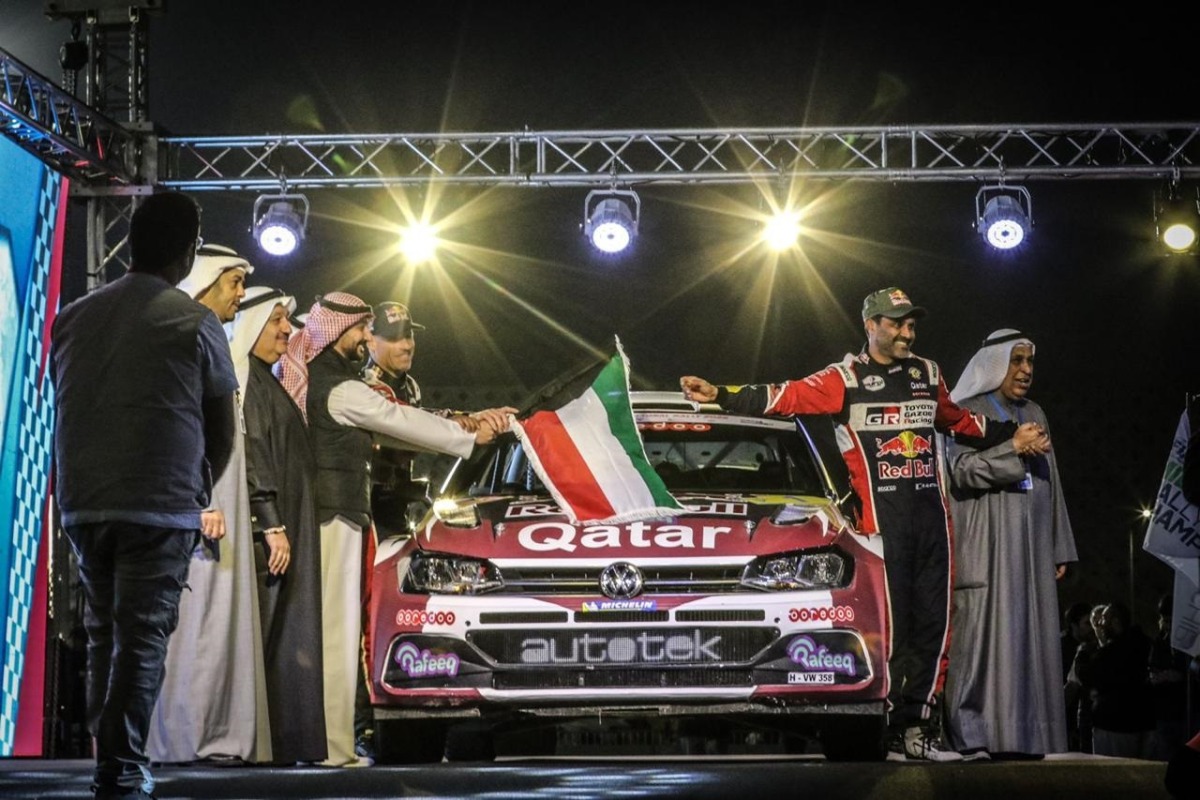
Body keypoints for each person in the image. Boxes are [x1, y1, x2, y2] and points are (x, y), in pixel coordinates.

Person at [680, 287, 1039, 762]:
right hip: (878, 531)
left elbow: (959, 422)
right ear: (870, 326)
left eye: (911, 324)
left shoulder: (926, 373)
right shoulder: (843, 378)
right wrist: (723, 396)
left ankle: (919, 729)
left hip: (933, 522)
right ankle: (886, 729)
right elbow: (786, 396)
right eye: (896, 324)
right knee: (893, 633)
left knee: (934, 628)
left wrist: (1009, 436)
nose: (907, 332)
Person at [275, 291, 515, 766]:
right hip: (335, 519)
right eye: (361, 328)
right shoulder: (341, 389)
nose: (366, 336)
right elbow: (396, 421)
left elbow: (394, 426)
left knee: (339, 630)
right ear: (334, 331)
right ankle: (332, 744)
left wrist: (464, 428)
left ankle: (331, 741)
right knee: (340, 631)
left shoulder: (333, 383)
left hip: (338, 518)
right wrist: (470, 435)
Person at [51, 192, 237, 799]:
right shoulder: (194, 321)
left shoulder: (71, 317)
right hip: (157, 503)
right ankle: (122, 768)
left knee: (107, 633)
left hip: (82, 500)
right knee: (142, 636)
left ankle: (113, 761)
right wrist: (196, 487)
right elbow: (221, 428)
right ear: (187, 253)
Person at [147, 244, 272, 765]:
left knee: (220, 628)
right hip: (198, 506)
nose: (241, 295)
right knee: (194, 629)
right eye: (233, 284)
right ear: (203, 282)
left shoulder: (207, 336)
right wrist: (202, 503)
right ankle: (188, 739)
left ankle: (219, 737)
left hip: (220, 505)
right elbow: (184, 427)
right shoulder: (183, 335)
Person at [941, 329, 1077, 759]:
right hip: (986, 543)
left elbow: (1052, 482)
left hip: (1032, 545)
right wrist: (1013, 450)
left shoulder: (1035, 410)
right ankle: (974, 736)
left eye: (1029, 363)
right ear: (995, 363)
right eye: (1016, 361)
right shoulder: (965, 410)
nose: (1025, 371)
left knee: (1031, 636)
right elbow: (959, 473)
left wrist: (1058, 544)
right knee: (981, 639)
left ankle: (1028, 737)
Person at [230, 286, 328, 764]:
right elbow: (253, 454)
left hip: (287, 527)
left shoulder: (264, 380)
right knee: (270, 634)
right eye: (275, 323)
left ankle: (283, 743)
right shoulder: (245, 381)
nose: (286, 331)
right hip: (272, 534)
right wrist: (270, 522)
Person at [1074, 601, 1156, 757]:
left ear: (1116, 622)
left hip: (1114, 723)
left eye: (1104, 619)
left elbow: (1088, 675)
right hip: (1143, 721)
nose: (1100, 624)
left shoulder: (1113, 652)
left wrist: (1082, 656)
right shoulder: (1143, 643)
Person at [1061, 600, 1096, 751]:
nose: (1092, 629)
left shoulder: (1092, 647)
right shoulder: (1062, 648)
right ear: (1074, 625)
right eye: (1087, 624)